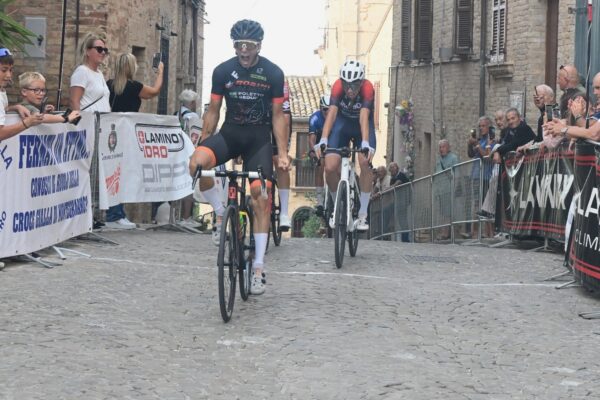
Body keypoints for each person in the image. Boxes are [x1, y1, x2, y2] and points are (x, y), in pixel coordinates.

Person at [188, 19, 289, 295]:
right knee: (196, 164)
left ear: (259, 46)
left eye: (250, 45)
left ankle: (258, 268)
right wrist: (204, 140)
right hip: (230, 135)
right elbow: (213, 110)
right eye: (239, 45)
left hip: (259, 141)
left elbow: (278, 116)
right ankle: (221, 214)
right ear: (234, 46)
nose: (244, 50)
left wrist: (282, 153)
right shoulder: (223, 71)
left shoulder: (273, 73)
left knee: (261, 197)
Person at [314, 60, 376, 232]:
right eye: (346, 84)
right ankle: (337, 207)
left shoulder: (368, 88)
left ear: (361, 82)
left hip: (362, 126)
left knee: (365, 163)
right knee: (329, 167)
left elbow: (364, 116)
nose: (350, 89)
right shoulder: (337, 87)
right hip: (342, 125)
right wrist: (324, 139)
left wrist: (365, 142)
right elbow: (332, 114)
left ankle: (363, 214)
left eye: (354, 85)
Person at [70, 33, 123, 230]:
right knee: (89, 170)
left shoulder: (99, 74)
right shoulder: (81, 72)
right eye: (99, 49)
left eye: (104, 50)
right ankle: (86, 216)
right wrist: (79, 124)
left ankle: (95, 214)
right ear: (87, 51)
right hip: (89, 125)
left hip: (102, 127)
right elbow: (75, 100)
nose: (103, 53)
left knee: (98, 172)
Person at [106, 52, 165, 229]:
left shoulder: (109, 84)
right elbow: (154, 91)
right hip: (126, 135)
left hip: (111, 134)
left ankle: (116, 213)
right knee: (121, 174)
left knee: (114, 173)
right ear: (131, 67)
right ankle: (115, 215)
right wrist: (160, 72)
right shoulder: (134, 87)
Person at [0, 48, 44, 141]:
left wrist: (16, 107)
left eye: (10, 70)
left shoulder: (2, 91)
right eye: (4, 70)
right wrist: (27, 122)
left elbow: (2, 110)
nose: (8, 75)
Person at [308, 94, 330, 213]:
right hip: (319, 144)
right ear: (320, 108)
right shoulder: (315, 118)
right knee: (320, 164)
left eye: (330, 109)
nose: (327, 112)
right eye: (325, 109)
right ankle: (320, 200)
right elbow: (312, 140)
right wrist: (313, 151)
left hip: (333, 143)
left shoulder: (336, 117)